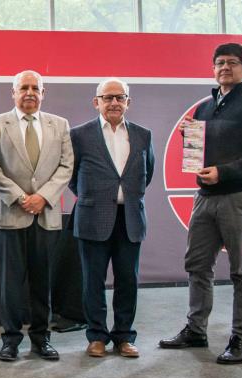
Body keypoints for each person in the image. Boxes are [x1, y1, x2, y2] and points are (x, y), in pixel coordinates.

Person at [159, 43, 242, 364]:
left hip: (241, 197)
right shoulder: (205, 109)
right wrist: (190, 138)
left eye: (233, 63)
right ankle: (196, 330)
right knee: (197, 266)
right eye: (220, 63)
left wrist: (223, 173)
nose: (225, 68)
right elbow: (200, 153)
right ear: (213, 68)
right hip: (205, 197)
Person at [70, 78, 154, 358]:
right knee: (92, 281)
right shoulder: (79, 135)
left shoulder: (144, 135)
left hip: (130, 218)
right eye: (108, 97)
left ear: (128, 102)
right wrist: (95, 197)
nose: (114, 102)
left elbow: (148, 172)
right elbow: (71, 177)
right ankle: (96, 336)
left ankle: (123, 337)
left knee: (127, 280)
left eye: (120, 97)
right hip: (93, 217)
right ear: (97, 102)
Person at [0, 71, 73, 362]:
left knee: (42, 283)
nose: (29, 93)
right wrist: (21, 197)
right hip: (10, 215)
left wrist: (43, 197)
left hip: (46, 215)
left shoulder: (60, 125)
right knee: (9, 285)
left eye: (35, 88)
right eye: (23, 88)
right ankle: (10, 341)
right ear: (12, 92)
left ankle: (41, 339)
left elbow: (66, 167)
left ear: (43, 92)